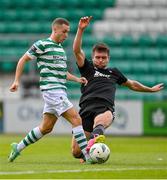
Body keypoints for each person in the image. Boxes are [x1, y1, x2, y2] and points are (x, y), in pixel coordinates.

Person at [71, 16, 164, 162]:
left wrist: (150, 90)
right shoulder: (87, 68)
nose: (100, 60)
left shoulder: (114, 72)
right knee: (76, 152)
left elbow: (132, 84)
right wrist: (80, 29)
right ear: (93, 57)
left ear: (108, 58)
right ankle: (87, 152)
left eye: (104, 57)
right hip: (85, 109)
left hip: (104, 107)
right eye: (98, 57)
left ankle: (94, 143)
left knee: (100, 124)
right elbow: (76, 51)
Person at [8, 17, 92, 163]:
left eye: (68, 32)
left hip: (59, 90)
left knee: (46, 128)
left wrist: (77, 79)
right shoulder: (42, 44)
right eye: (64, 32)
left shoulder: (60, 49)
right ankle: (87, 155)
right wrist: (16, 80)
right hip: (52, 91)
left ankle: (18, 147)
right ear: (55, 29)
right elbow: (23, 59)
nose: (66, 35)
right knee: (76, 119)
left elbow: (62, 73)